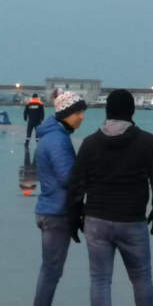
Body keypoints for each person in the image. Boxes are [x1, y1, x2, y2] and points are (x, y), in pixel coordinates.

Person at [67, 89, 153, 306]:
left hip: (96, 221)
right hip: (132, 221)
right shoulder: (147, 142)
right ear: (132, 111)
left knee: (100, 280)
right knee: (141, 279)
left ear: (106, 111)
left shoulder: (90, 143)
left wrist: (74, 216)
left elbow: (77, 185)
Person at [33, 91, 87, 306]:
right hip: (56, 213)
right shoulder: (57, 140)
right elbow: (68, 178)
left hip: (48, 209)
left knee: (50, 269)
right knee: (51, 271)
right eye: (78, 112)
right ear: (66, 113)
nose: (82, 117)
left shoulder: (53, 136)